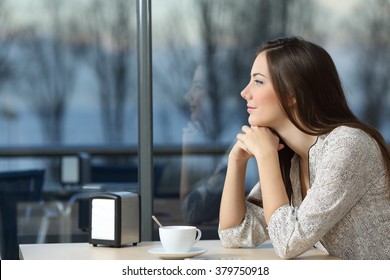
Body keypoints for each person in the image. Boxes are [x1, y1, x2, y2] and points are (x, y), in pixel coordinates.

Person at [218, 36, 390, 260]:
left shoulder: (348, 145)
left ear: (291, 94)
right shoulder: (292, 158)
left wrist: (266, 155)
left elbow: (287, 242)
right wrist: (237, 161)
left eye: (258, 81)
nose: (244, 92)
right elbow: (234, 234)